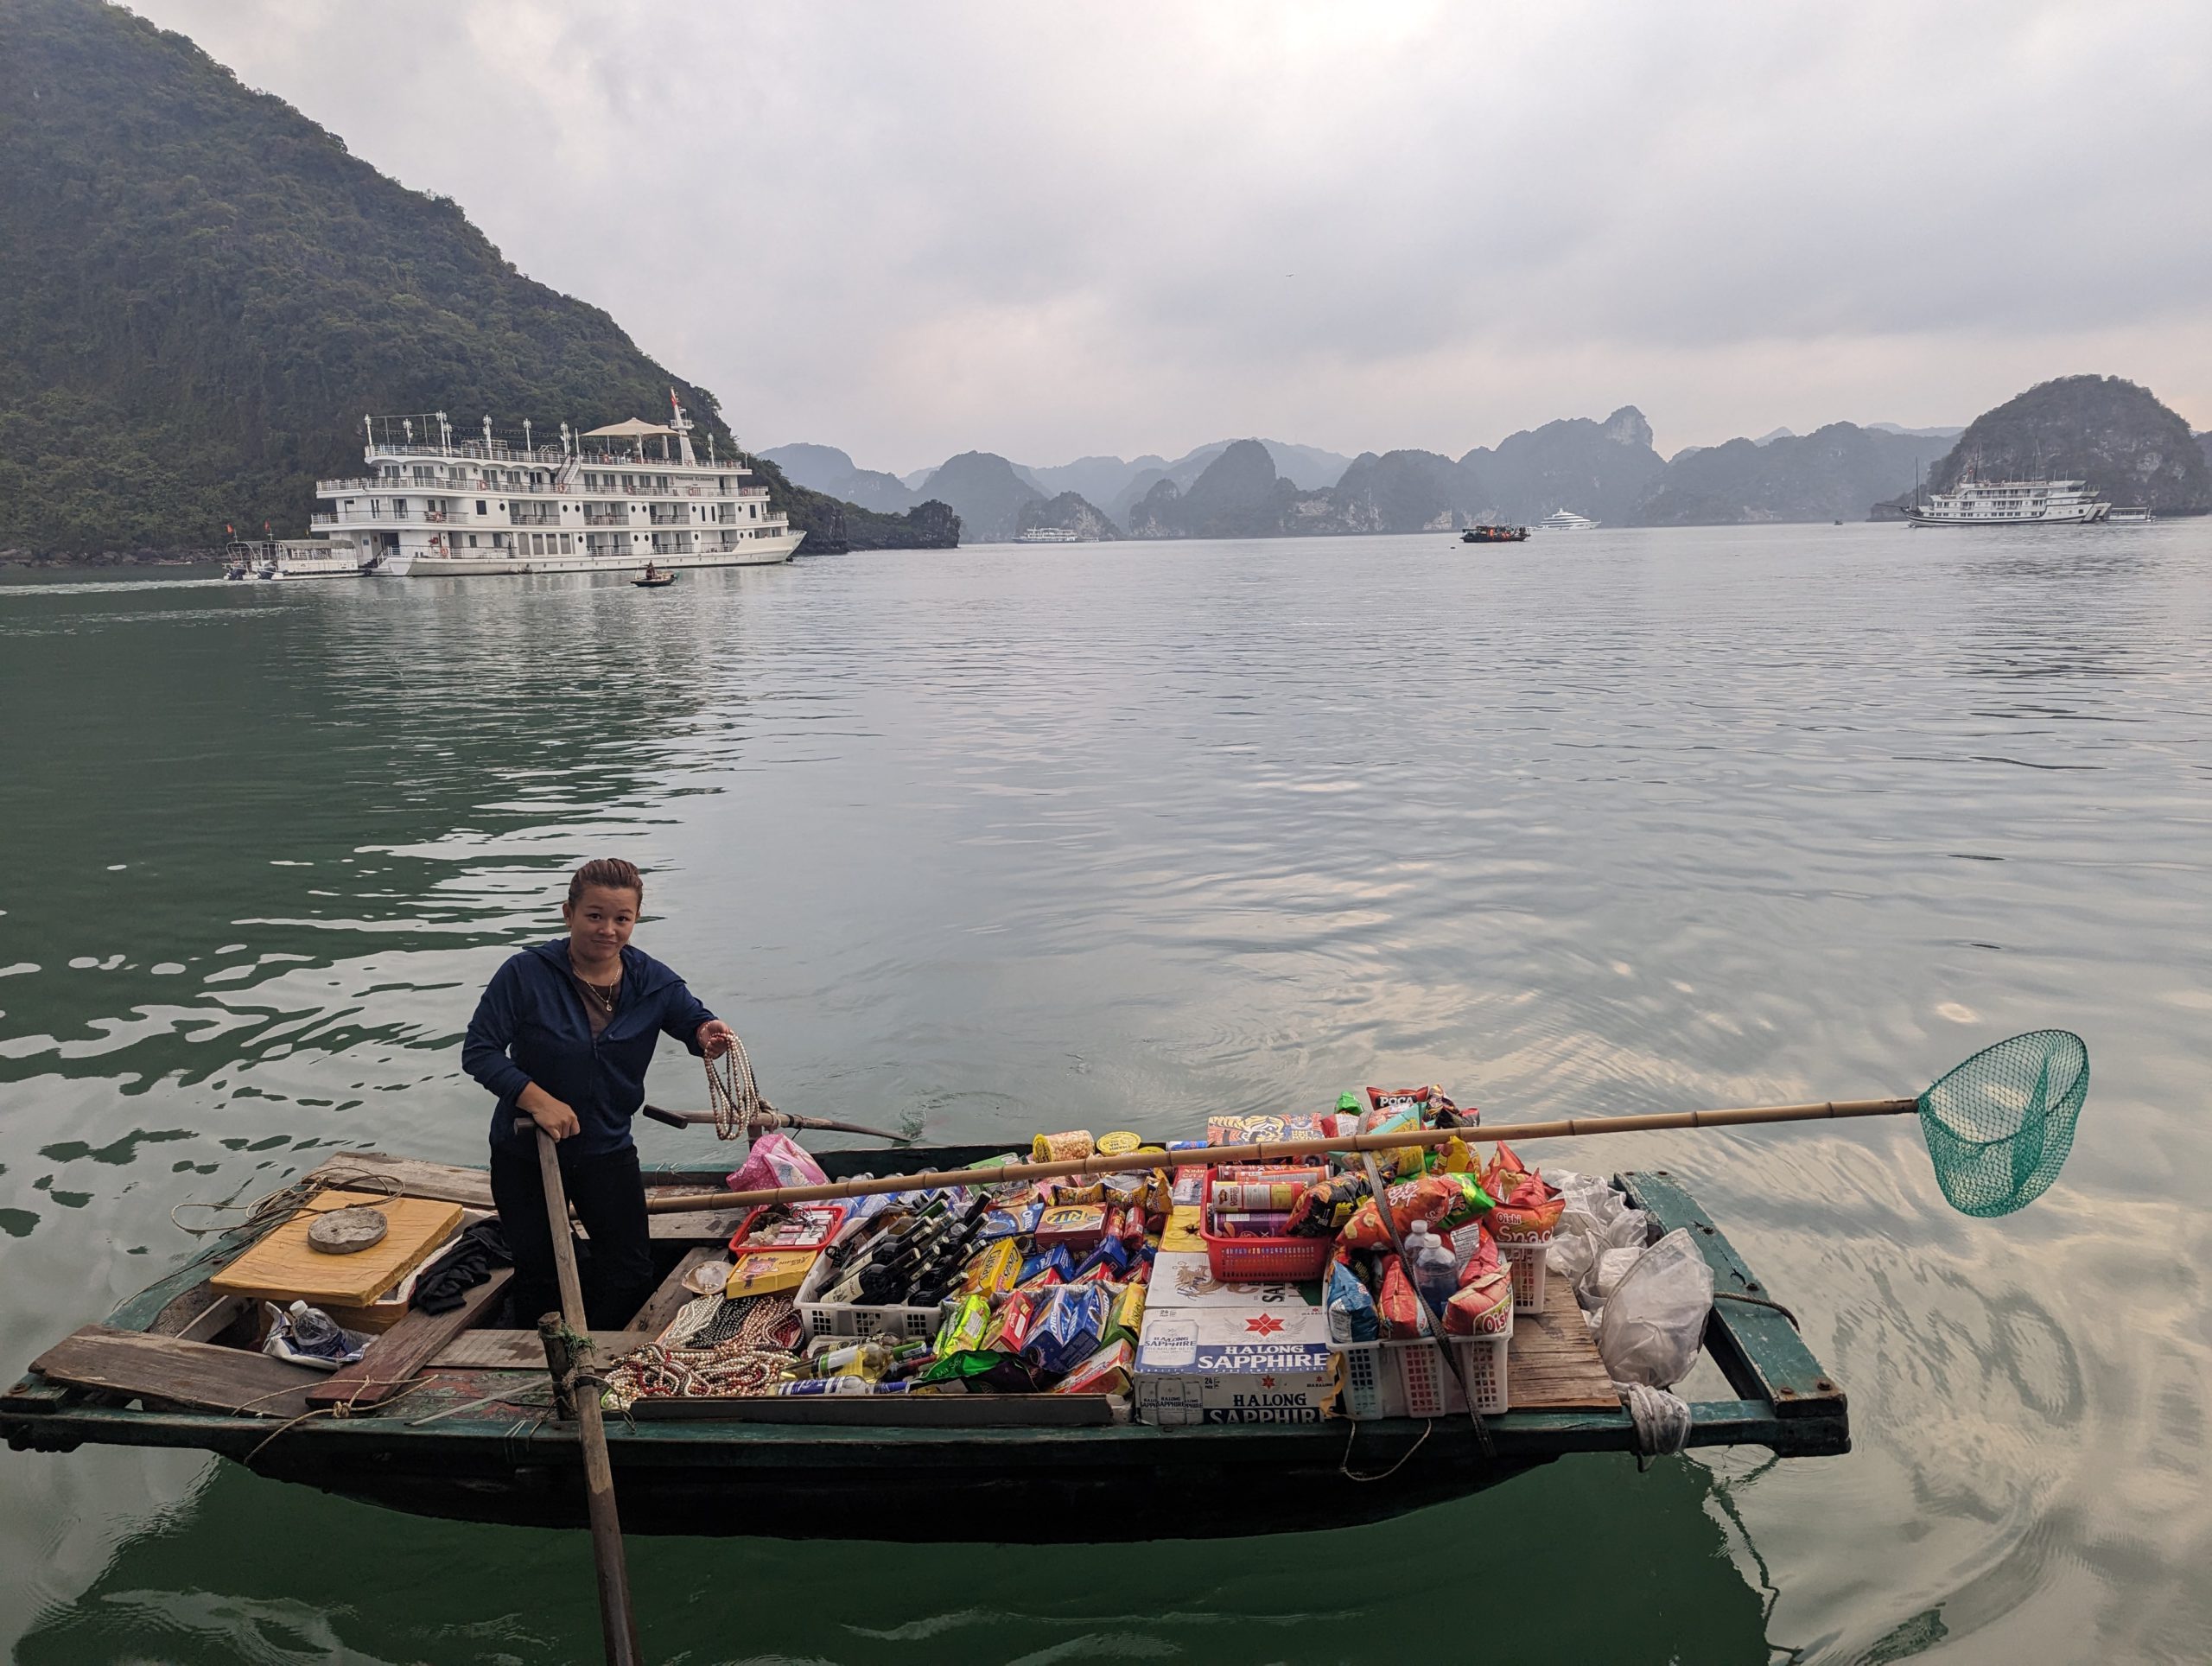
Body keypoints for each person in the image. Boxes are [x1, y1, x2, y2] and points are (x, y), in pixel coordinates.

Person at [463, 857, 734, 1327]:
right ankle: (542, 1366)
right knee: (540, 1271)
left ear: (635, 920)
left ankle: (612, 1355)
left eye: (621, 918)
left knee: (630, 1272)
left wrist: (707, 1036)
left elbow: (693, 1021)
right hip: (525, 1151)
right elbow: (480, 1051)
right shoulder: (525, 974)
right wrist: (536, 1098)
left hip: (606, 1149)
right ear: (568, 914)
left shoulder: (654, 982)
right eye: (594, 916)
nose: (607, 929)